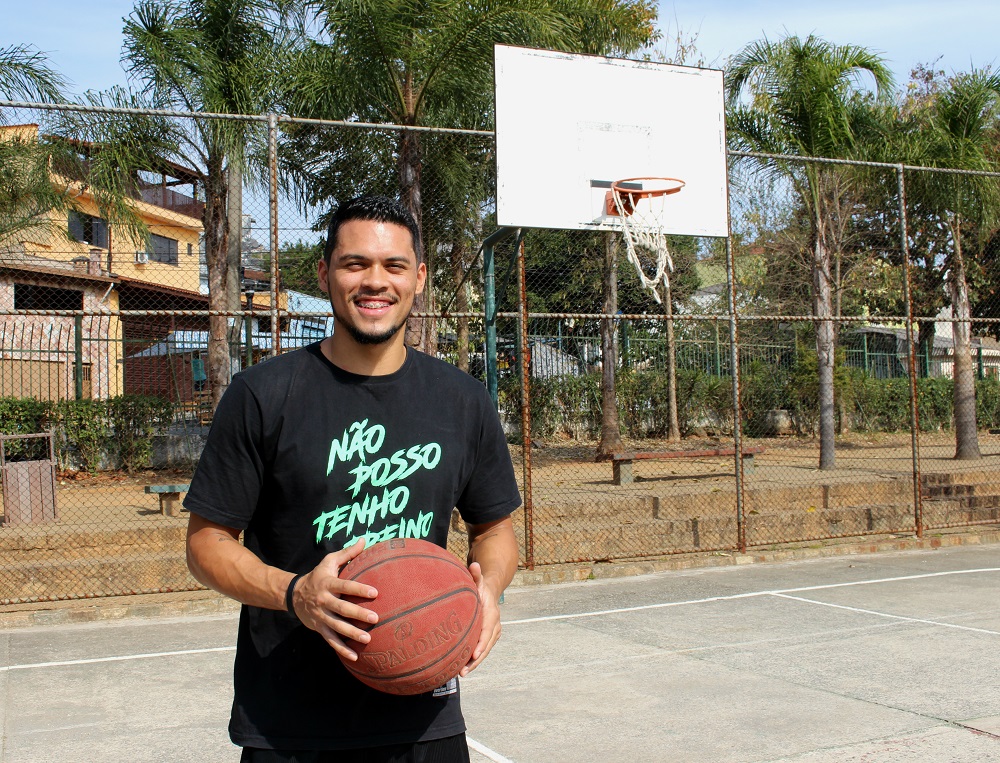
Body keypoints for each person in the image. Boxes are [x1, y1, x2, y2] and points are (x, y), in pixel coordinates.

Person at [183, 195, 522, 762]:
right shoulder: (263, 396)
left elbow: (495, 531)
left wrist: (487, 589)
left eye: (393, 266)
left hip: (425, 713)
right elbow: (206, 544)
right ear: (325, 274)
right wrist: (296, 594)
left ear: (418, 277)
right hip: (290, 723)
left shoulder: (462, 401)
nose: (375, 282)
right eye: (354, 263)